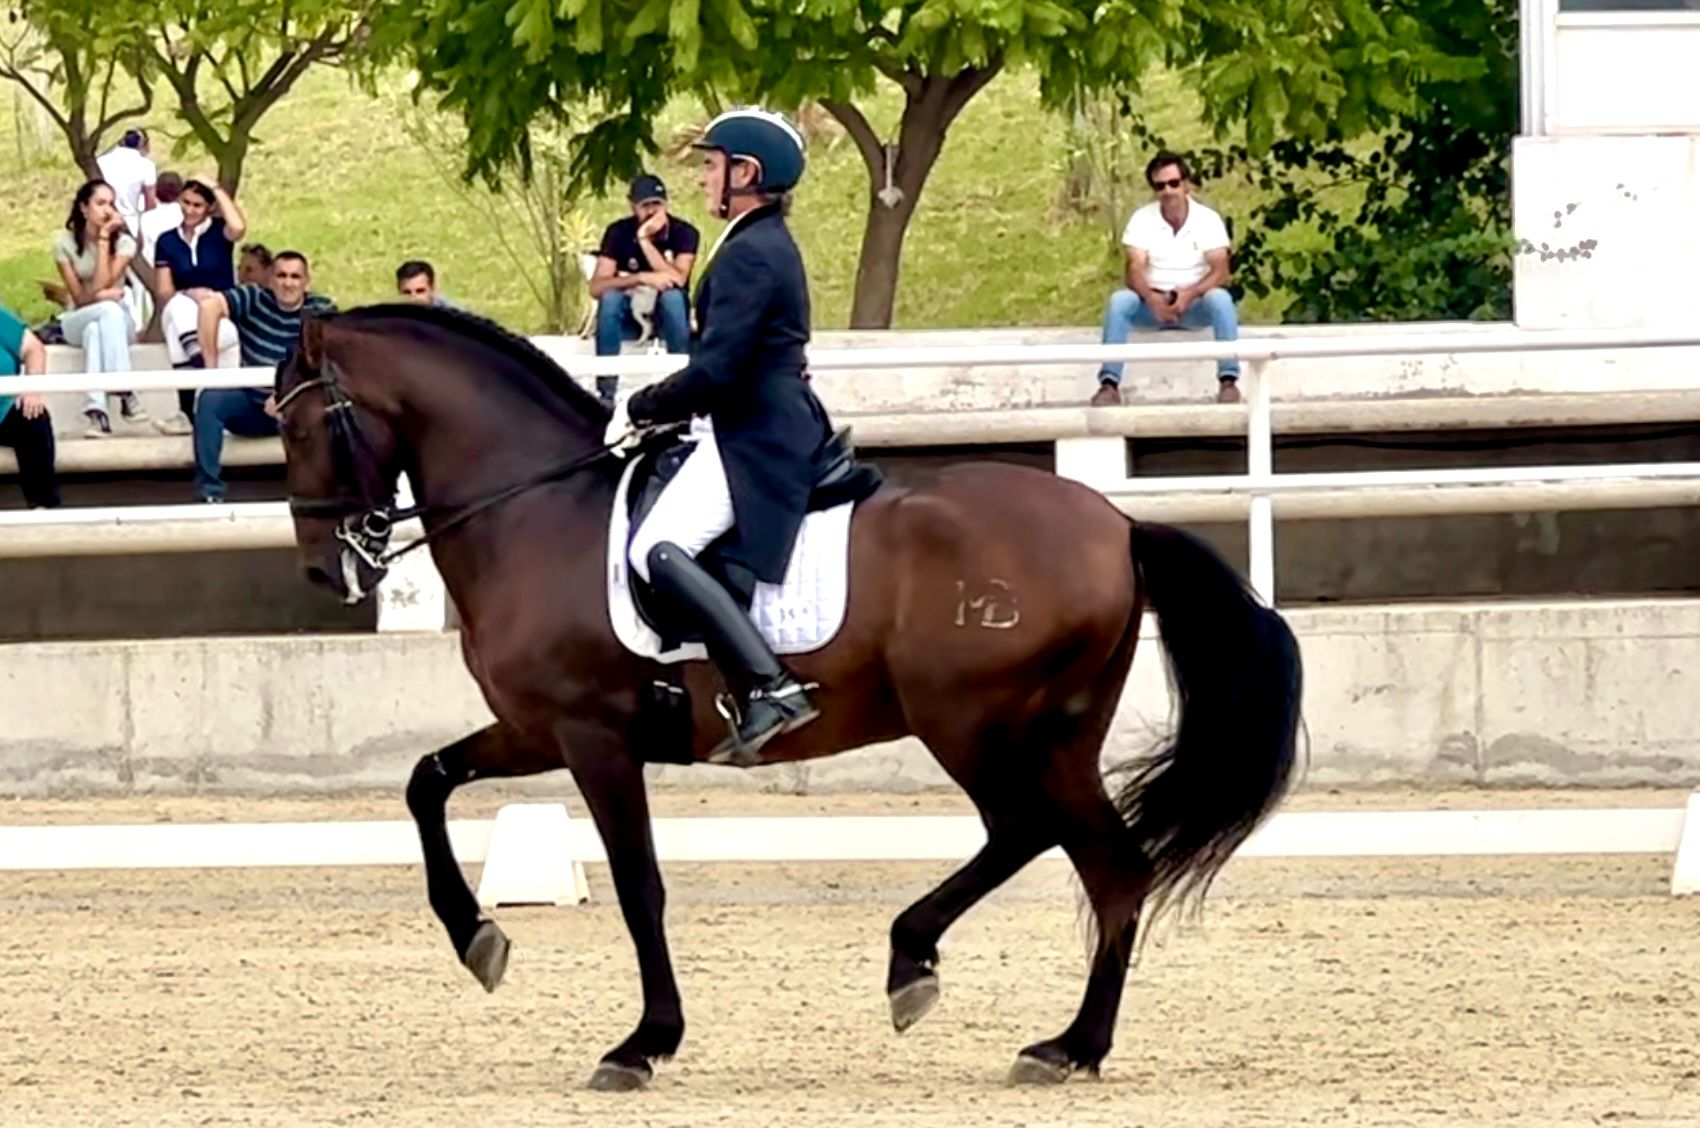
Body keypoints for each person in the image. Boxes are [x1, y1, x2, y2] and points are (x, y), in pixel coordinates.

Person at [608, 108, 830, 765]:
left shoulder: (751, 252)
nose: (703, 177)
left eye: (712, 165)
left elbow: (719, 370)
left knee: (656, 547)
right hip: (750, 417)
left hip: (754, 434)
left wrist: (642, 405)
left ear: (746, 173)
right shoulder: (755, 242)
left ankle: (770, 684)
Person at [1090, 150, 1242, 406]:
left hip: (1195, 304)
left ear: (1186, 185)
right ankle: (1109, 385)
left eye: (1174, 183)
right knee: (1120, 301)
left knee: (1221, 299)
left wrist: (1190, 294)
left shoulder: (1207, 219)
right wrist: (1151, 298)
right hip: (1152, 304)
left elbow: (1221, 270)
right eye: (1160, 186)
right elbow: (1134, 269)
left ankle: (1228, 382)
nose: (1168, 191)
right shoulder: (1142, 219)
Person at [190, 251, 335, 501]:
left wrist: (285, 397)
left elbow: (328, 363)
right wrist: (211, 368)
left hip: (298, 407)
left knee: (329, 410)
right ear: (270, 278)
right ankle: (210, 493)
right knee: (210, 400)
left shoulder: (320, 310)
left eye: (294, 276)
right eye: (281, 275)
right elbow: (208, 305)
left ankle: (319, 495)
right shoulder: (254, 298)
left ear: (306, 282)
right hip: (251, 407)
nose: (288, 283)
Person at [590, 173, 699, 404]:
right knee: (610, 299)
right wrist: (641, 278)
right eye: (645, 206)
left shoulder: (684, 233)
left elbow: (678, 279)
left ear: (666, 205)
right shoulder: (618, 232)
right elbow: (597, 286)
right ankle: (606, 392)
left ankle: (681, 386)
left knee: (672, 297)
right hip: (630, 314)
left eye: (657, 205)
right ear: (632, 206)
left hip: (669, 316)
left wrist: (645, 241)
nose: (651, 212)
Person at [153, 174, 249, 433]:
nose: (189, 210)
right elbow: (164, 292)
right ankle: (198, 356)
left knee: (178, 326)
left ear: (209, 208)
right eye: (185, 202)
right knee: (177, 306)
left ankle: (187, 410)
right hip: (186, 317)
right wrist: (190, 293)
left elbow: (239, 227)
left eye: (197, 205)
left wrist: (216, 187)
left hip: (222, 319)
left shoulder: (219, 233)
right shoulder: (167, 241)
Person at [54, 179, 145, 436]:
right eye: (100, 203)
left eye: (111, 204)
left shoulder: (125, 243)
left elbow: (101, 284)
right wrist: (102, 295)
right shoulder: (64, 243)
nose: (107, 210)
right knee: (106, 310)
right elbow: (82, 298)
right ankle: (126, 393)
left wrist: (105, 239)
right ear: (84, 208)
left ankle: (97, 412)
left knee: (98, 329)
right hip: (77, 317)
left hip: (117, 321)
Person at [0, 302, 60, 509]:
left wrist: (31, 388)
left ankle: (43, 508)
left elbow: (33, 349)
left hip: (3, 409)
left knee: (34, 419)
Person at [95, 129, 158, 236]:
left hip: (104, 220)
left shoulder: (101, 161)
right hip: (132, 223)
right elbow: (150, 203)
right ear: (142, 144)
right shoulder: (146, 165)